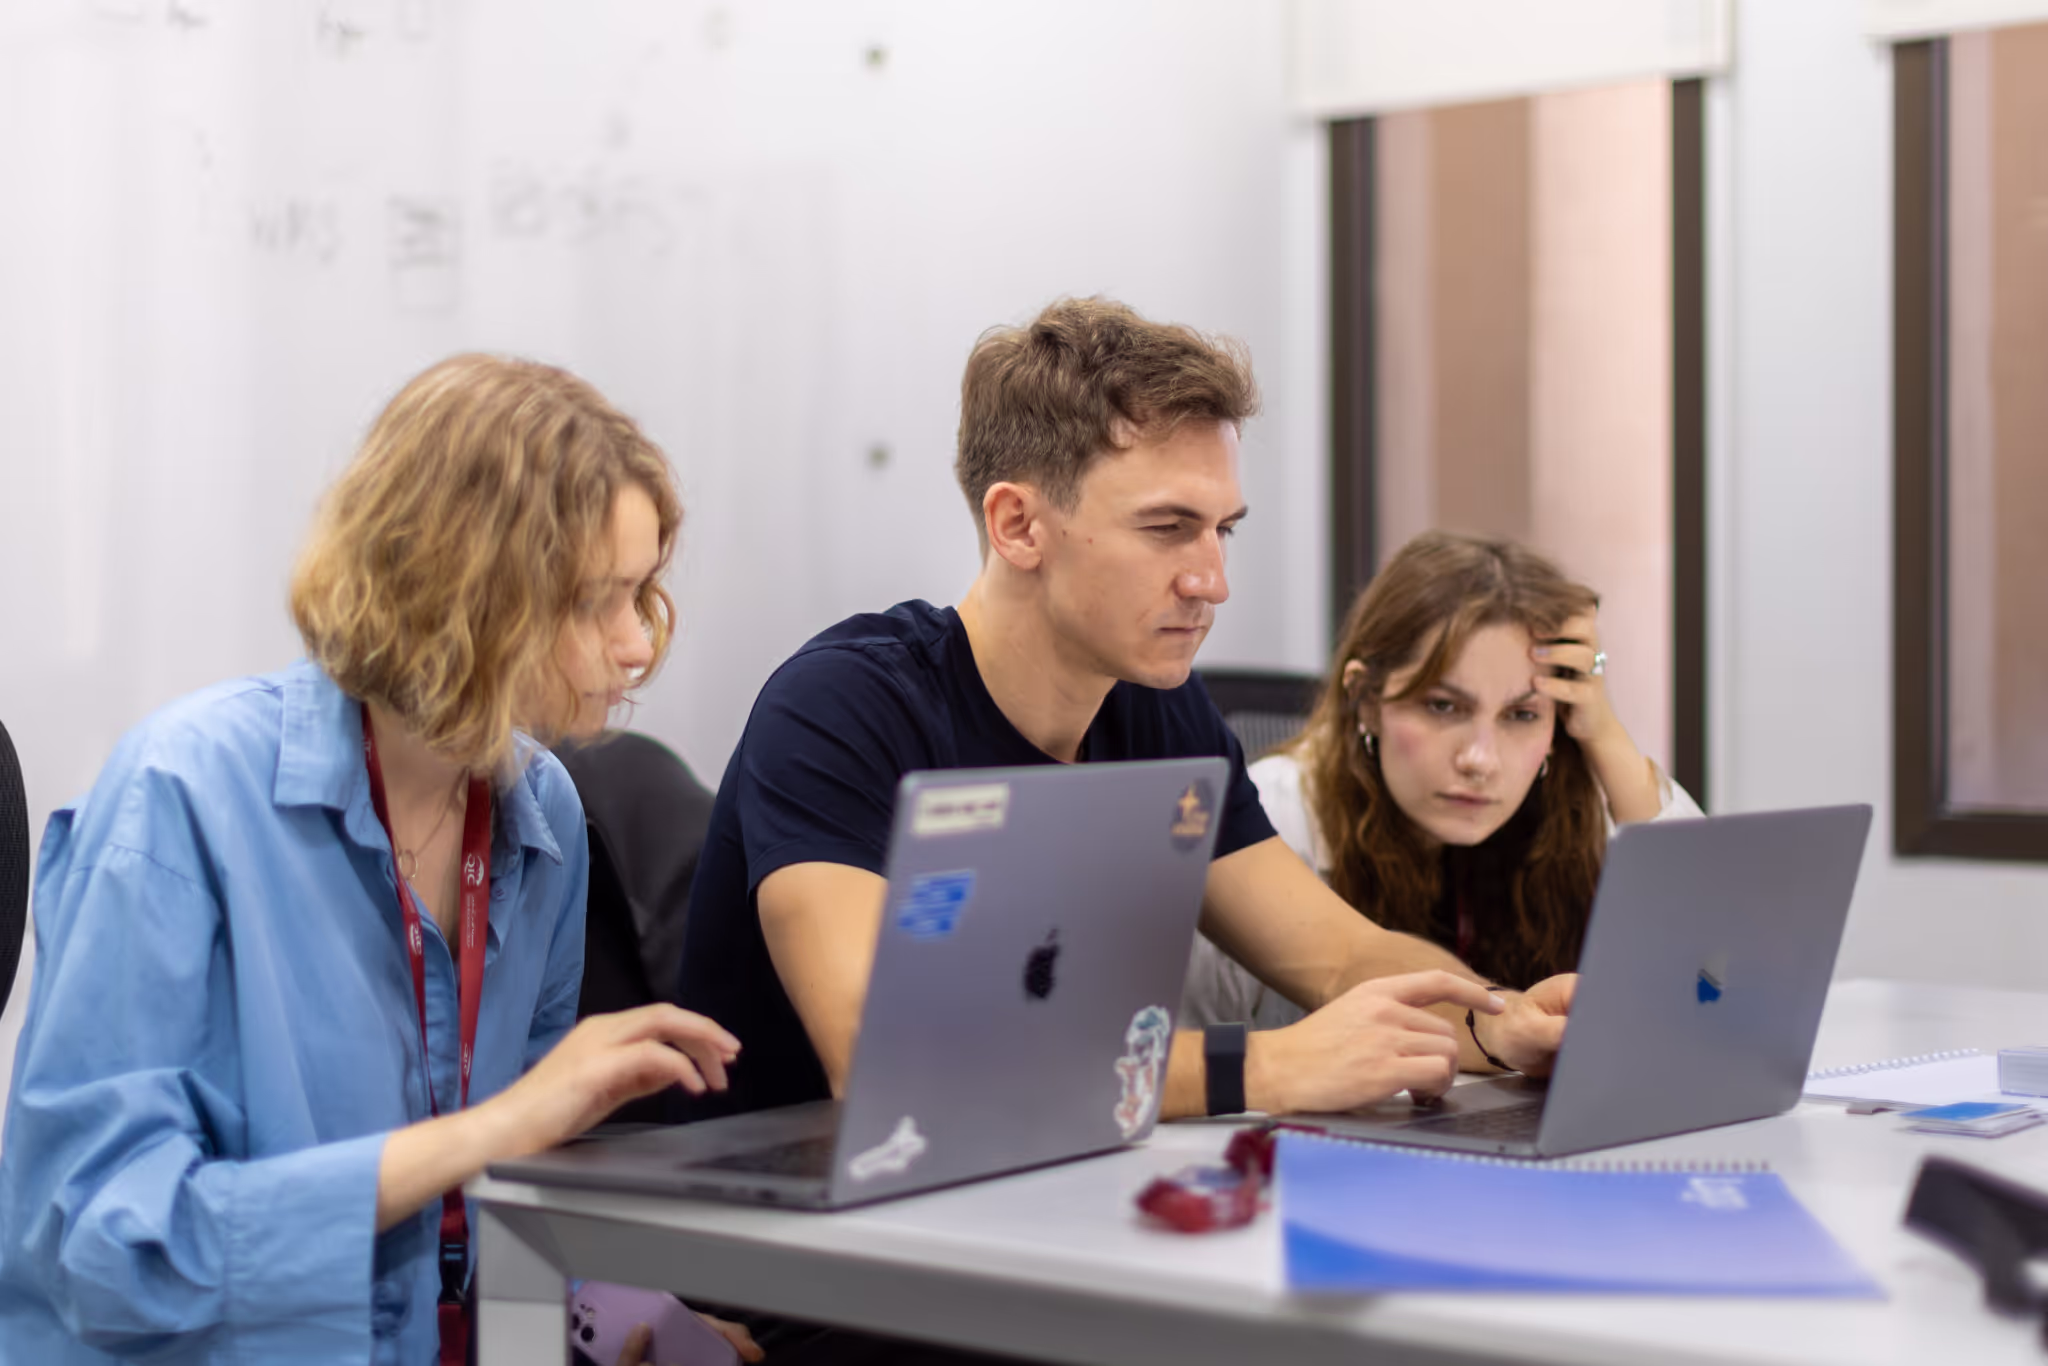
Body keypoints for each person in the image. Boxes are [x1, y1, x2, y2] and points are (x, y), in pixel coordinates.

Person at [0, 356, 756, 1366]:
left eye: (642, 592)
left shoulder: (544, 819)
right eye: (593, 601)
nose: (633, 646)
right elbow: (102, 1251)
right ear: (460, 592)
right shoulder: (179, 797)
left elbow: (507, 1211)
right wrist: (497, 1128)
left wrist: (634, 1317)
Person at [677, 298, 1577, 1143]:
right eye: (1167, 528)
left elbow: (1341, 960)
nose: (1211, 580)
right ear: (1019, 525)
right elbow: (889, 1060)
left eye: (1223, 530)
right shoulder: (843, 708)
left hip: (1023, 1191)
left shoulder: (1154, 707)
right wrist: (1264, 1066)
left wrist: (1502, 1023)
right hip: (795, 1240)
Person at [1181, 530, 1704, 1031]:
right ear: (1365, 700)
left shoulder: (1578, 811)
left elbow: (1712, 978)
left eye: (1521, 716)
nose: (1480, 759)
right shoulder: (1273, 819)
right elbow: (1176, 1057)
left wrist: (1606, 738)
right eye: (1442, 706)